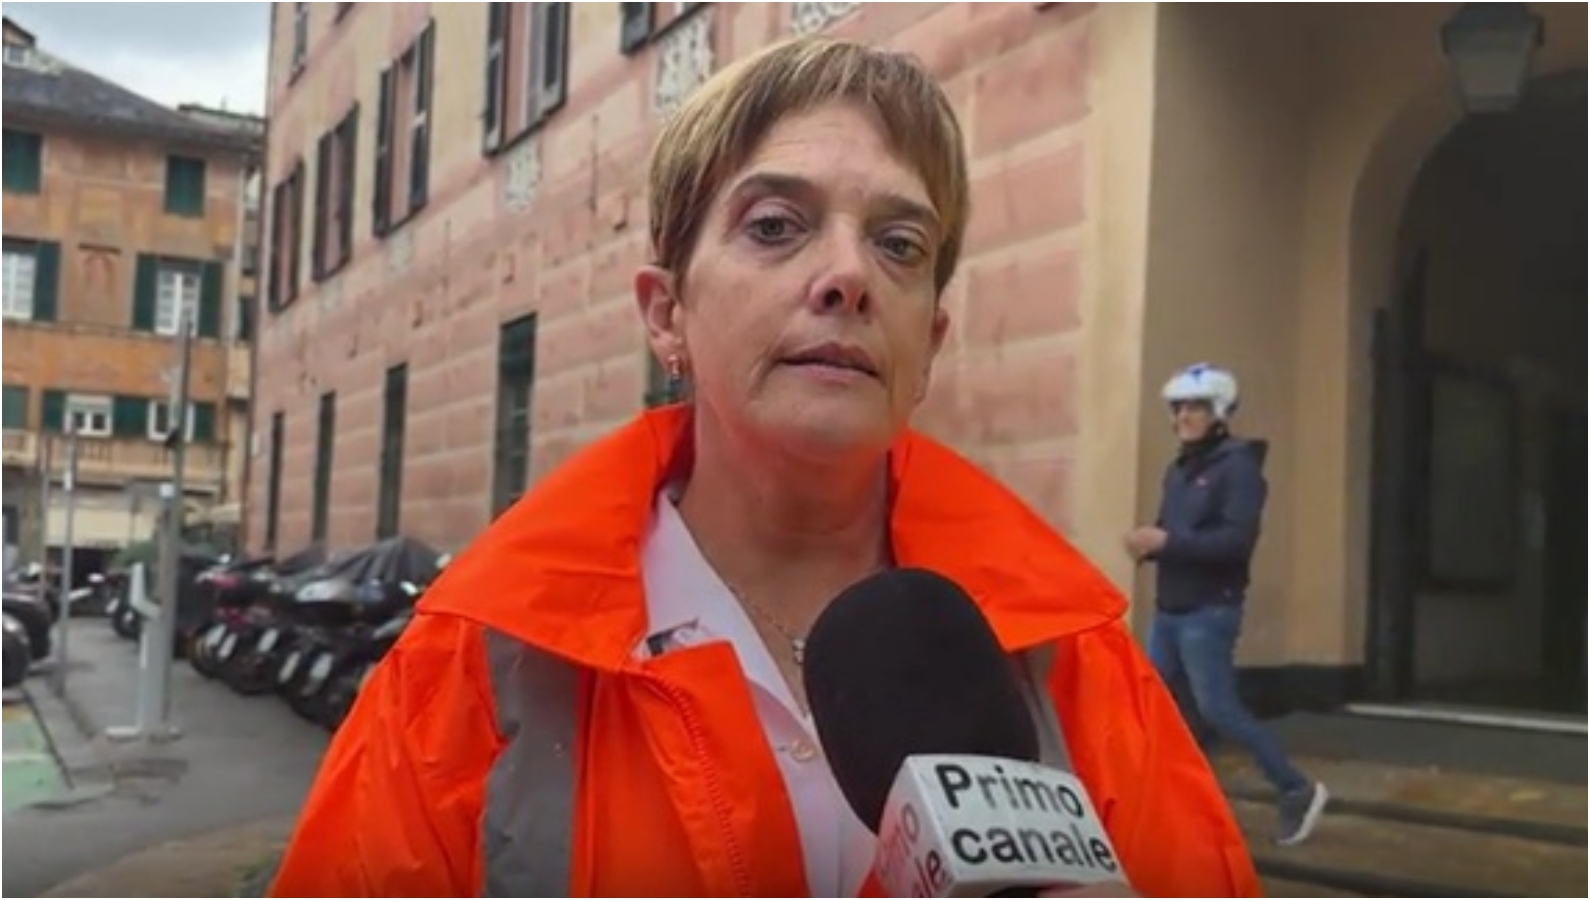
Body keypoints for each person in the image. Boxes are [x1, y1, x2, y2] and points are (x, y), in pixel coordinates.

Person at [269, 38, 1260, 898]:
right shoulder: (472, 669)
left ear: (933, 338)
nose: (848, 277)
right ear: (666, 314)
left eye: (900, 243)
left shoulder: (1077, 662)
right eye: (776, 226)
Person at [1124, 363, 1329, 847]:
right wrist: (1148, 545)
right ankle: (1174, 805)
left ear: (1218, 412)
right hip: (1171, 610)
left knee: (1218, 709)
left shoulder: (1238, 470)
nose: (1184, 417)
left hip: (1208, 614)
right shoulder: (1179, 470)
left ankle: (1296, 788)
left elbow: (1234, 544)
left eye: (1195, 407)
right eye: (1178, 409)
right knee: (1160, 709)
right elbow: (1173, 533)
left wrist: (1167, 542)